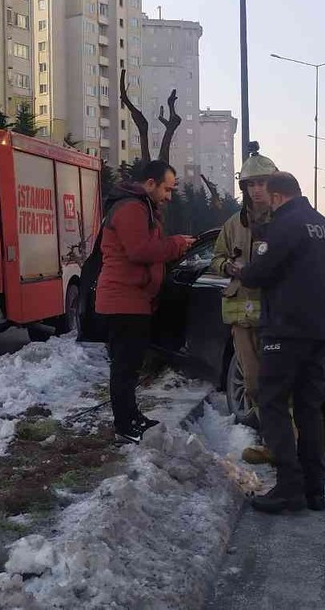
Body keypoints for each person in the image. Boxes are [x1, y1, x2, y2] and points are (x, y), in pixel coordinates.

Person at [238, 172, 325, 514]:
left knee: (274, 404)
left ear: (278, 196)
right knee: (310, 409)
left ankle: (288, 487)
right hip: (320, 330)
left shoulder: (285, 224)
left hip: (285, 329)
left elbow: (258, 273)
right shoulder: (324, 226)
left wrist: (241, 270)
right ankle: (315, 489)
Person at [96, 160, 195, 443]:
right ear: (150, 183)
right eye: (167, 189)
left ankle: (132, 415)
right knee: (125, 365)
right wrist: (176, 243)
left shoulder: (143, 208)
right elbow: (140, 251)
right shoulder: (131, 208)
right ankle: (124, 424)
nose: (169, 196)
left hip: (133, 298)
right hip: (123, 299)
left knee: (131, 364)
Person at [211, 147, 279, 464]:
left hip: (277, 315)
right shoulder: (233, 225)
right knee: (252, 381)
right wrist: (230, 268)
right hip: (242, 313)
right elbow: (217, 259)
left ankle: (281, 443)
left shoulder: (286, 220)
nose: (256, 190)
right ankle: (267, 436)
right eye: (250, 184)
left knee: (277, 382)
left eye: (262, 183)